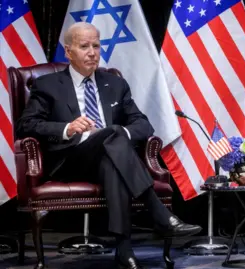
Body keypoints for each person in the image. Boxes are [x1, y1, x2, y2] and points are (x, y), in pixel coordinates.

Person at [16, 22, 201, 269]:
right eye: (84, 46)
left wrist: (119, 134)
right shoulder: (48, 85)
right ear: (68, 51)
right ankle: (159, 213)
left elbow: (142, 124)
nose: (92, 52)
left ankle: (124, 250)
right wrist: (67, 128)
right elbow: (26, 125)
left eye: (96, 45)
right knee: (113, 136)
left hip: (110, 158)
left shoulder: (114, 83)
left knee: (112, 148)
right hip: (69, 160)